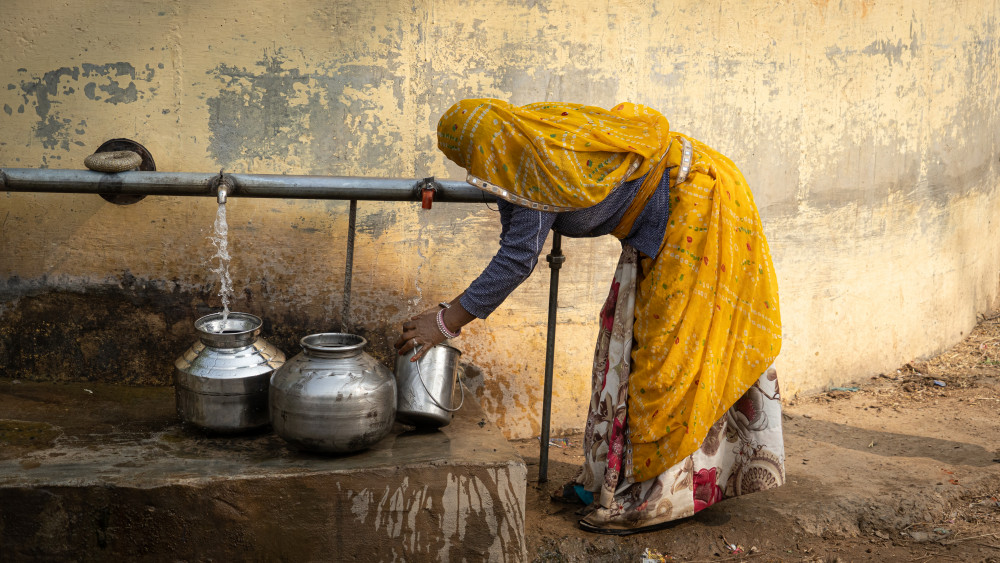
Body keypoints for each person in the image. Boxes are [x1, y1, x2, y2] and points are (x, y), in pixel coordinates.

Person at [394, 99, 784, 534]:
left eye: (468, 160)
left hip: (698, 204)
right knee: (623, 344)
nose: (475, 170)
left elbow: (517, 258)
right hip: (670, 208)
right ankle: (610, 479)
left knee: (668, 359)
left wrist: (445, 322)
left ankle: (653, 497)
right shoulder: (519, 142)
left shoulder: (528, 161)